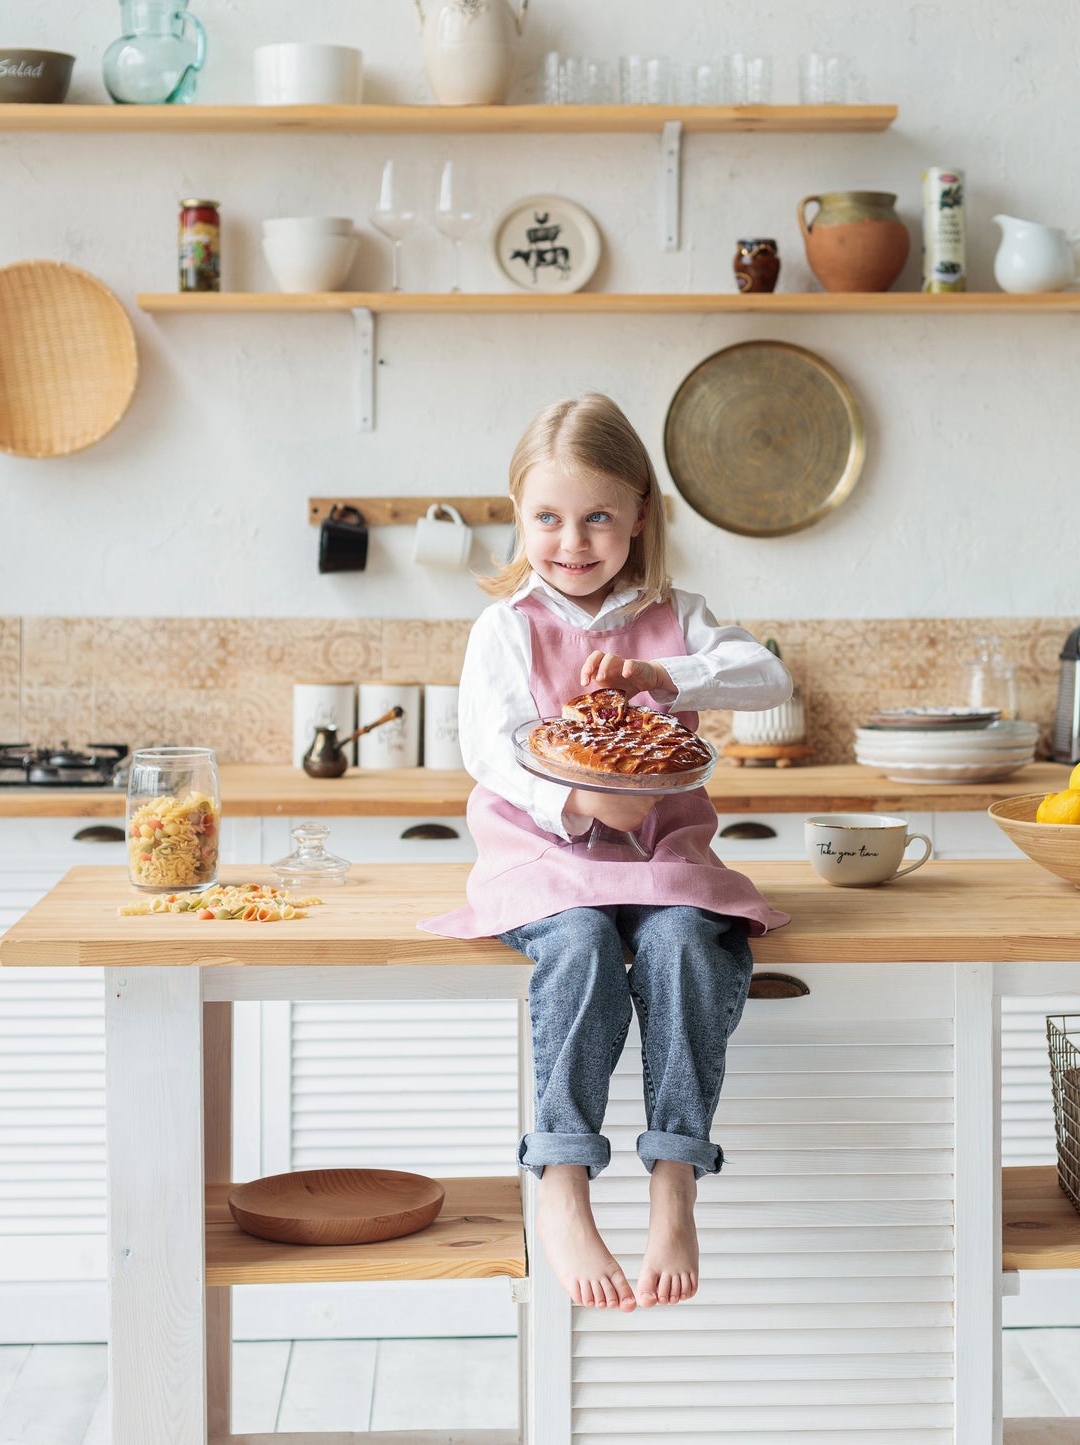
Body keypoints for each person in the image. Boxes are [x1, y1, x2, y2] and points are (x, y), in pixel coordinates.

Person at [422, 393, 792, 1313]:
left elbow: (769, 675)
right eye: (547, 516)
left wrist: (666, 673)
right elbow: (489, 746)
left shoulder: (678, 616)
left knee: (678, 945)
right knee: (582, 944)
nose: (572, 540)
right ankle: (560, 1178)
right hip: (544, 857)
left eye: (597, 516)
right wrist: (578, 798)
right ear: (519, 516)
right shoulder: (506, 625)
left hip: (664, 858)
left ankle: (674, 1172)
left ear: (638, 516)